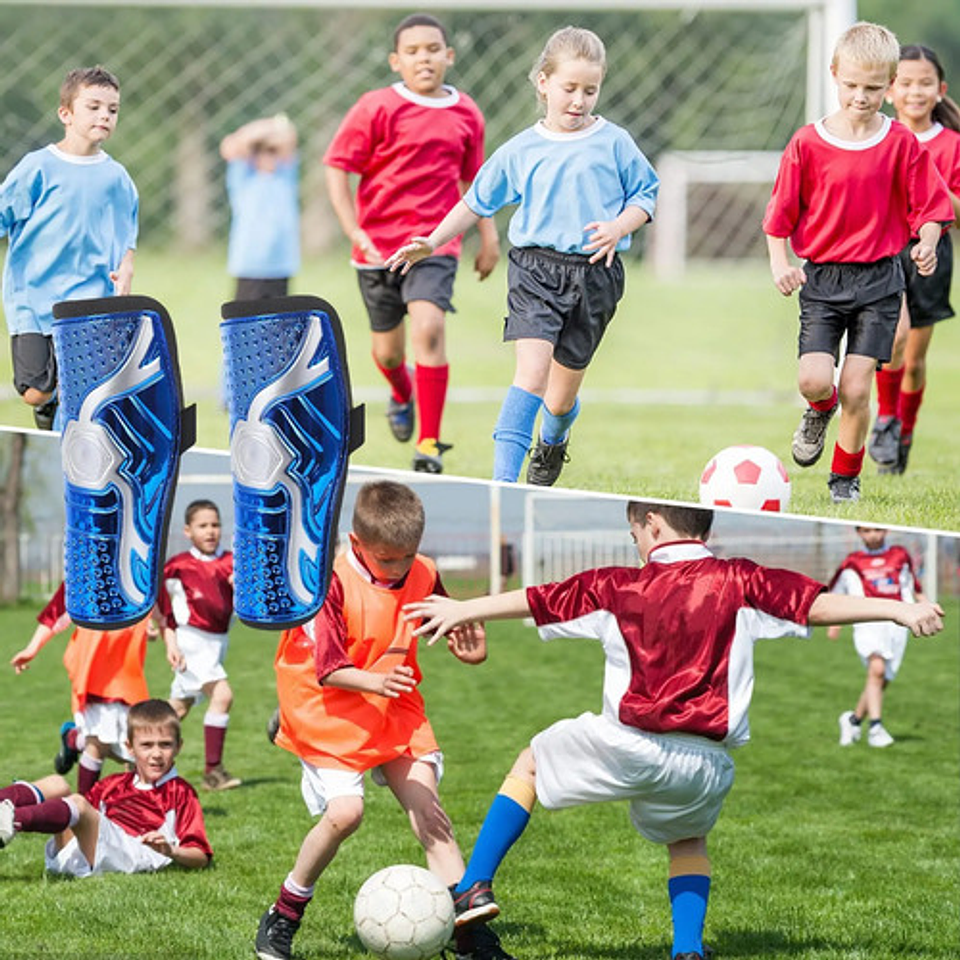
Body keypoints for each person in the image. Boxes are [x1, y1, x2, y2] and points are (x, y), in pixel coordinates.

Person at [402, 501, 945, 960]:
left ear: (654, 524)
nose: (636, 542)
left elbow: (540, 598)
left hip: (631, 743)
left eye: (635, 532)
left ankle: (473, 887)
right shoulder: (743, 579)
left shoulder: (619, 585)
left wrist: (464, 606)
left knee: (530, 763)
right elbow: (817, 605)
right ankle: (688, 949)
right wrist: (897, 610)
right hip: (706, 766)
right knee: (688, 840)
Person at [387, 26, 658, 487]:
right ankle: (504, 487)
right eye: (569, 88)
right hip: (534, 271)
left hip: (595, 274)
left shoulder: (615, 142)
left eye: (589, 90)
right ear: (544, 83)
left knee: (557, 399)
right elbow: (476, 202)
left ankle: (553, 441)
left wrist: (618, 226)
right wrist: (432, 242)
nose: (578, 100)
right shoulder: (521, 150)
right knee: (530, 375)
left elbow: (646, 195)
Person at [255, 480, 512, 960]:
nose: (399, 569)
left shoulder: (424, 572)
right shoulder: (325, 583)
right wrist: (373, 682)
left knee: (430, 814)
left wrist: (470, 649)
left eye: (407, 557)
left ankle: (471, 939)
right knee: (346, 815)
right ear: (356, 544)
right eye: (386, 559)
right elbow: (329, 667)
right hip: (327, 711)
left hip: (394, 706)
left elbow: (446, 620)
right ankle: (283, 914)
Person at [763, 22, 953, 503]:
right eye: (851, 85)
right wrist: (779, 263)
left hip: (880, 281)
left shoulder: (900, 144)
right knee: (814, 379)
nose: (861, 97)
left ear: (887, 86)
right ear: (834, 75)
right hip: (823, 279)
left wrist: (927, 241)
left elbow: (933, 209)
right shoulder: (807, 142)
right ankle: (817, 410)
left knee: (856, 387)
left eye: (872, 88)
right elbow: (778, 215)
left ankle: (844, 481)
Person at [324, 12, 500, 475]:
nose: (425, 58)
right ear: (395, 61)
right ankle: (401, 394)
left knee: (429, 329)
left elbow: (475, 182)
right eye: (414, 51)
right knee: (388, 353)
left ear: (450, 56)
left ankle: (428, 443)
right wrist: (354, 229)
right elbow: (336, 166)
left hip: (434, 245)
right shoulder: (375, 107)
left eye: (433, 49)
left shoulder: (467, 113)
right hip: (377, 249)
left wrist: (488, 235)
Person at [0, 64, 138, 430]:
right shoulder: (38, 168)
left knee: (85, 391)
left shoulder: (117, 178)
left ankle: (68, 450)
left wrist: (126, 267)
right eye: (93, 106)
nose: (104, 115)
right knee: (35, 390)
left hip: (90, 301)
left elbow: (127, 232)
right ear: (66, 113)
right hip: (34, 300)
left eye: (112, 109)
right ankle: (49, 407)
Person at [868, 45, 960, 475]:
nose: (915, 91)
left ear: (940, 90)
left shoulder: (951, 145)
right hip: (886, 249)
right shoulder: (879, 137)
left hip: (932, 252)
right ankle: (885, 418)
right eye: (905, 83)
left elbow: (956, 212)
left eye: (925, 83)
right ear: (890, 90)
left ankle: (904, 430)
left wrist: (931, 182)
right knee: (895, 336)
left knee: (916, 359)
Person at [0, 698, 212, 875]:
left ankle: (12, 820)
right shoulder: (114, 783)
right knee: (58, 784)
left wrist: (171, 851)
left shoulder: (181, 792)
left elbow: (201, 856)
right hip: (88, 850)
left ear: (178, 747)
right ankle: (5, 812)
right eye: (146, 745)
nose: (156, 754)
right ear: (129, 748)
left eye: (165, 744)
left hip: (132, 853)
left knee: (79, 804)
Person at [10, 584, 176, 795]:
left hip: (128, 676)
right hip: (92, 673)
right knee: (98, 744)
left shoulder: (143, 570)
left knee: (129, 750)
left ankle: (73, 739)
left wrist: (171, 645)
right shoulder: (86, 572)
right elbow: (55, 613)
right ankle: (84, 809)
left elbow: (165, 616)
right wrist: (31, 649)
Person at [155, 499, 239, 792]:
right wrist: (166, 638)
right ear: (188, 531)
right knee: (223, 695)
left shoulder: (231, 561)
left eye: (215, 525)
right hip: (191, 641)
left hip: (217, 643)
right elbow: (159, 605)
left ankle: (131, 749)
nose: (210, 531)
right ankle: (213, 771)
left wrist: (240, 585)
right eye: (203, 525)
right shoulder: (178, 566)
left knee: (177, 709)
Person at [827, 526, 926, 748]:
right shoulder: (852, 561)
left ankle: (853, 720)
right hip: (868, 622)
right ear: (859, 533)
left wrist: (926, 607)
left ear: (886, 530)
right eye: (867, 530)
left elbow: (914, 587)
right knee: (877, 670)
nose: (873, 535)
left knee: (883, 678)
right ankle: (875, 728)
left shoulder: (900, 554)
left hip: (897, 624)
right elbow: (835, 591)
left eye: (877, 529)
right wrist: (834, 622)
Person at [220, 113, 300, 300]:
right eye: (261, 152)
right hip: (250, 266)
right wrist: (271, 125)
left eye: (273, 151)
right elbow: (231, 146)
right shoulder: (243, 179)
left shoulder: (285, 176)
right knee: (246, 322)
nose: (268, 157)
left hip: (280, 266)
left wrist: (278, 128)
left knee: (279, 324)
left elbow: (289, 138)